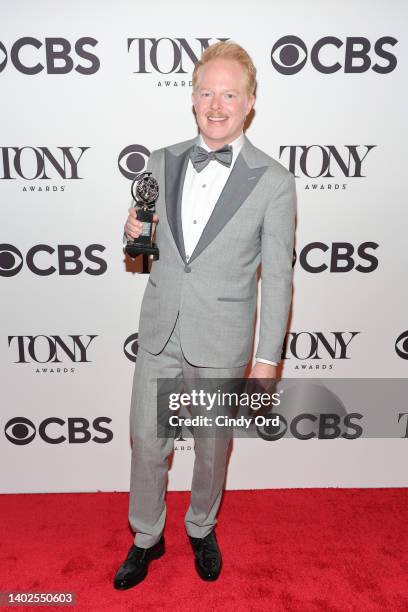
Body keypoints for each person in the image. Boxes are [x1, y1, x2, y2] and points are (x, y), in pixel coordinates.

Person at [114, 41, 296, 589]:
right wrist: (132, 236)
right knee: (147, 441)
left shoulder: (275, 180)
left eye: (230, 95)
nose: (217, 105)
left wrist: (267, 361)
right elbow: (148, 243)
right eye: (207, 93)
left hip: (221, 338)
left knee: (212, 449)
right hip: (160, 331)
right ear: (192, 98)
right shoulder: (161, 160)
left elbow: (281, 278)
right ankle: (147, 535)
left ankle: (201, 526)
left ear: (250, 102)